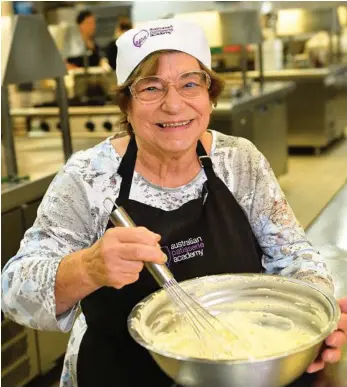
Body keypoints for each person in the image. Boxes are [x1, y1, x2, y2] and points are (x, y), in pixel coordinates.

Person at [1, 18, 346, 387]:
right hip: (118, 371)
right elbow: (14, 293)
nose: (174, 104)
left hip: (239, 368)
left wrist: (316, 315)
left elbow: (294, 254)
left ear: (209, 96)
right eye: (151, 87)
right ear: (127, 104)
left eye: (190, 84)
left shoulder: (240, 161)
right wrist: (88, 267)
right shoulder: (89, 178)